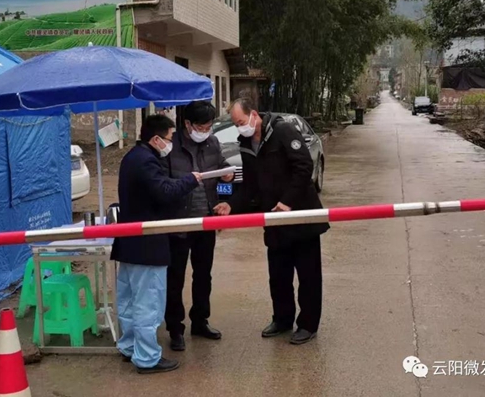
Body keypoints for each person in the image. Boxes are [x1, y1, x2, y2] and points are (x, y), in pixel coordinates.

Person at [214, 98, 329, 345]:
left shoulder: (283, 131)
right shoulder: (246, 144)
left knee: (308, 275)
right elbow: (250, 186)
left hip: (301, 215)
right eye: (236, 124)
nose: (240, 127)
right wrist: (231, 205)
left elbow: (304, 166)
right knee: (278, 275)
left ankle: (308, 324)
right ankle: (282, 319)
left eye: (241, 122)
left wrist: (288, 201)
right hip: (274, 219)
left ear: (254, 114)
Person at [111, 114, 202, 374]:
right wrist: (190, 180)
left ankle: (129, 347)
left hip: (129, 243)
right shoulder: (146, 161)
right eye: (170, 138)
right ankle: (147, 357)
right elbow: (164, 192)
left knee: (129, 302)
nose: (171, 143)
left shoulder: (132, 157)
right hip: (147, 245)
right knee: (147, 303)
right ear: (156, 139)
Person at [164, 101, 233, 351]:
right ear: (187, 124)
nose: (205, 131)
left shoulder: (212, 143)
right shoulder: (171, 146)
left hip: (206, 220)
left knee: (203, 274)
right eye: (201, 127)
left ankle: (200, 320)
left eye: (208, 126)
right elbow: (163, 184)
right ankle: (175, 328)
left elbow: (224, 174)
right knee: (175, 277)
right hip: (179, 222)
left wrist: (226, 182)